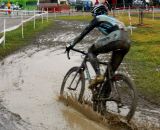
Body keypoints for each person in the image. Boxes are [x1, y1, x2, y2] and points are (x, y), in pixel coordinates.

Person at [66, 4, 131, 95]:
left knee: (91, 51)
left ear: (97, 12)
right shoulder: (112, 20)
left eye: (94, 14)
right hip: (127, 41)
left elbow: (83, 34)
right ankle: (103, 101)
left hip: (116, 37)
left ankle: (98, 75)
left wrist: (71, 45)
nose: (93, 16)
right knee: (109, 75)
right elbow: (106, 37)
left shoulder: (99, 18)